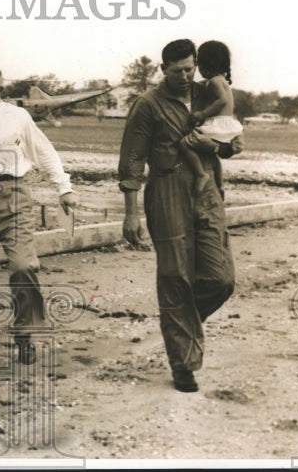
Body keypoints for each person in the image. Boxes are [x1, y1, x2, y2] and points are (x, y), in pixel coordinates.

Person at [118, 38, 242, 393]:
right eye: (177, 71)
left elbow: (233, 142)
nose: (186, 76)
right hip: (167, 190)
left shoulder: (210, 93)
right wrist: (131, 214)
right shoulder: (148, 105)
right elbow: (131, 159)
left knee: (221, 279)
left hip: (207, 192)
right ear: (163, 69)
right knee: (174, 277)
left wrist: (214, 147)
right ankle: (183, 364)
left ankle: (183, 325)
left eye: (190, 68)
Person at [0, 63, 78, 368]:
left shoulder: (18, 118)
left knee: (23, 265)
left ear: (1, 90)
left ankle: (24, 332)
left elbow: (45, 152)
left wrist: (63, 188)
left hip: (13, 195)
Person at [177, 40, 243, 196]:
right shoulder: (222, 79)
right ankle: (220, 184)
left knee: (184, 144)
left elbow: (222, 101)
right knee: (212, 156)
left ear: (205, 65)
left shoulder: (214, 81)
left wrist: (202, 114)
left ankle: (200, 174)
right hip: (227, 124)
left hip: (218, 124)